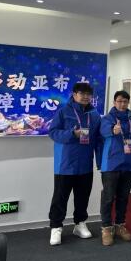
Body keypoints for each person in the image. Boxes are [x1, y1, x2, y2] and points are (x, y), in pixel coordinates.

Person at [48, 82, 101, 246]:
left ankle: (80, 224)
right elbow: (53, 132)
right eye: (82, 93)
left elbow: (98, 140)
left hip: (85, 164)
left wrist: (100, 162)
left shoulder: (94, 115)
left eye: (88, 94)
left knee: (82, 197)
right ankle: (56, 227)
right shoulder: (63, 111)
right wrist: (72, 134)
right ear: (74, 94)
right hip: (65, 164)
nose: (85, 97)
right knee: (60, 198)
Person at [99, 90, 131, 246]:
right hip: (111, 164)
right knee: (108, 197)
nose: (122, 104)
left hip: (128, 165)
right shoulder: (107, 119)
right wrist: (112, 130)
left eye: (125, 102)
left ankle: (120, 225)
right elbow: (102, 132)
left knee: (123, 197)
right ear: (114, 102)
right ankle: (106, 228)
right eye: (119, 101)